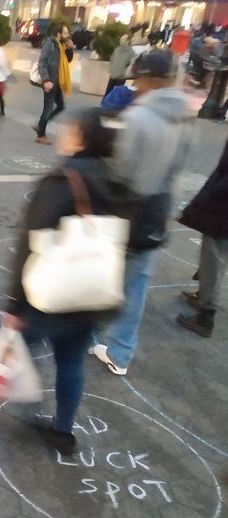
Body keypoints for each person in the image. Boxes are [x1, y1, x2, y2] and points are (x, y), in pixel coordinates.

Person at [4, 107, 132, 454]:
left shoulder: (62, 180)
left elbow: (31, 244)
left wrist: (14, 303)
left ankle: (29, 412)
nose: (63, 134)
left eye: (69, 129)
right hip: (95, 291)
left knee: (20, 350)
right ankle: (64, 431)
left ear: (82, 137)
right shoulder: (117, 177)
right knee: (71, 359)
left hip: (52, 293)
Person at [91, 50, 190, 375]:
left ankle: (89, 336)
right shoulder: (183, 118)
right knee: (136, 285)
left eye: (138, 79)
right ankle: (120, 352)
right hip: (158, 212)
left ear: (147, 80)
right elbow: (178, 169)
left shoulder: (137, 118)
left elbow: (119, 171)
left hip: (127, 211)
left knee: (104, 276)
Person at [175, 137, 228, 338]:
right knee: (216, 253)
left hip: (222, 204)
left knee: (214, 254)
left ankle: (206, 314)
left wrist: (213, 194)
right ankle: (204, 295)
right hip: (221, 199)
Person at [35, 24, 74, 145]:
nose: (67, 36)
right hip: (50, 82)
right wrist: (46, 80)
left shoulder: (62, 46)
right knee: (47, 109)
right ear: (58, 34)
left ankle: (40, 125)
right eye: (65, 33)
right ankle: (41, 135)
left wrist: (70, 49)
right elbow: (42, 62)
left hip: (58, 82)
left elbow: (68, 60)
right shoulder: (50, 44)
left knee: (61, 106)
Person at [104, 34, 134, 99]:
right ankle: (104, 104)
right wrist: (111, 70)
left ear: (128, 41)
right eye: (121, 39)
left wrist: (125, 73)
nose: (121, 41)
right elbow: (112, 60)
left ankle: (113, 107)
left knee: (117, 93)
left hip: (121, 76)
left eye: (124, 39)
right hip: (113, 74)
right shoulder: (117, 50)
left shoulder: (131, 52)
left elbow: (130, 64)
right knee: (108, 92)